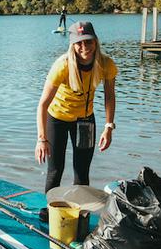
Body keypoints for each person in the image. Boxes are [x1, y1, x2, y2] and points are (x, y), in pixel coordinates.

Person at [34, 21, 117, 217]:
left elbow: (109, 96)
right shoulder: (62, 65)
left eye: (88, 41)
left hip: (85, 120)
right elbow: (43, 105)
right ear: (72, 45)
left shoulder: (106, 64)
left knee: (82, 171)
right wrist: (41, 139)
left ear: (95, 42)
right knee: (55, 169)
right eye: (79, 43)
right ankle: (51, 213)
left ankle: (79, 215)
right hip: (57, 119)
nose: (84, 47)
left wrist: (108, 127)